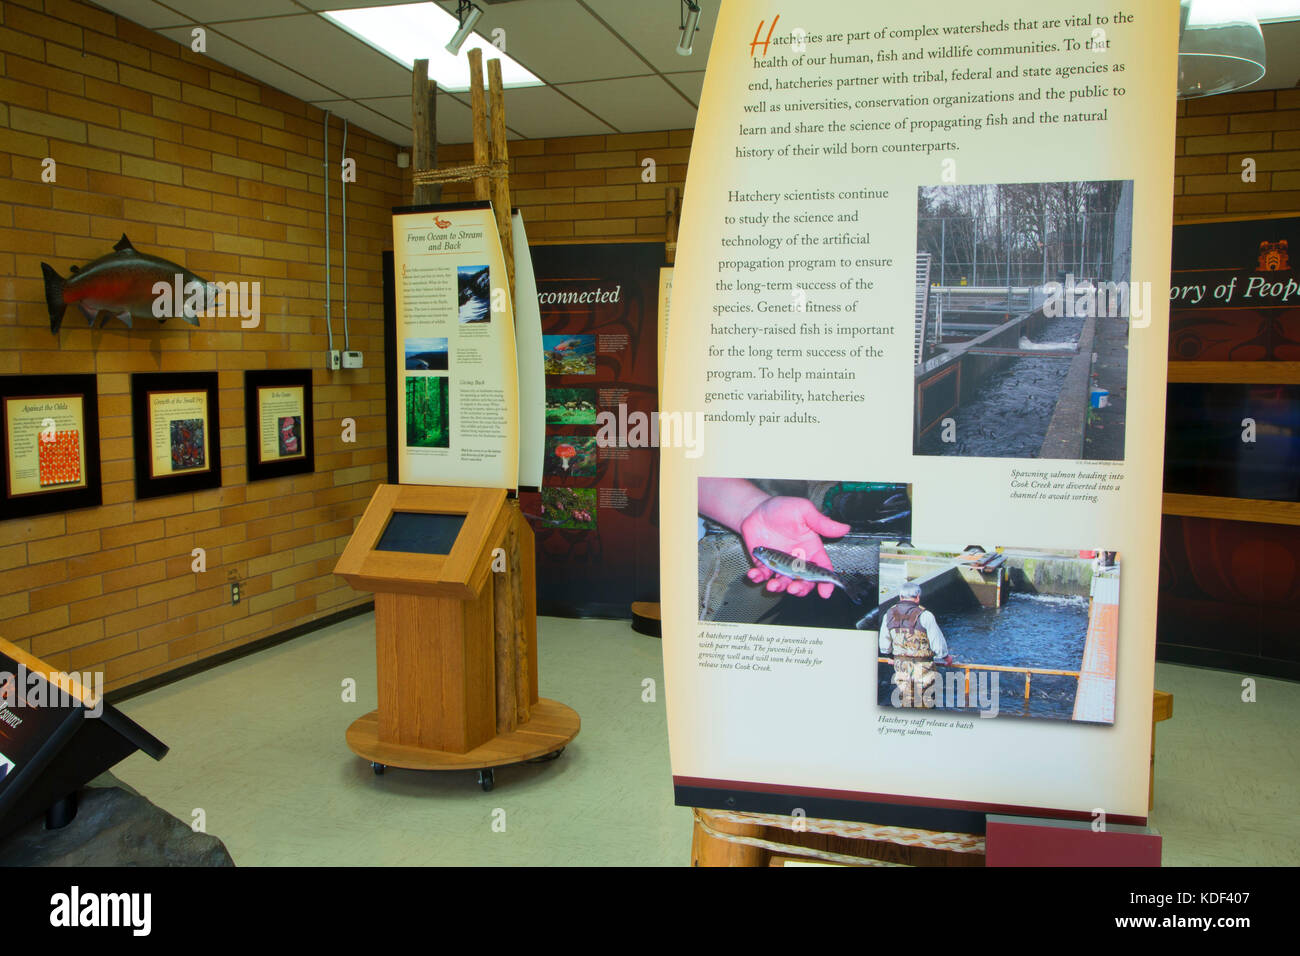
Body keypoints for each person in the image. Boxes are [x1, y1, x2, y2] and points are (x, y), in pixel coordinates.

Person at [697, 478, 850, 599]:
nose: (759, 550)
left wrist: (752, 508)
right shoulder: (770, 559)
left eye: (762, 550)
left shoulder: (769, 559)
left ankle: (840, 583)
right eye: (761, 549)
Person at [879, 582, 954, 708]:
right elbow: (938, 644)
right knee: (926, 703)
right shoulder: (925, 615)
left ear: (900, 596)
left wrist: (890, 657)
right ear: (918, 597)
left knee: (906, 701)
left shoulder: (888, 615)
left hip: (901, 668)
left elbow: (884, 645)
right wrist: (946, 657)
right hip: (923, 669)